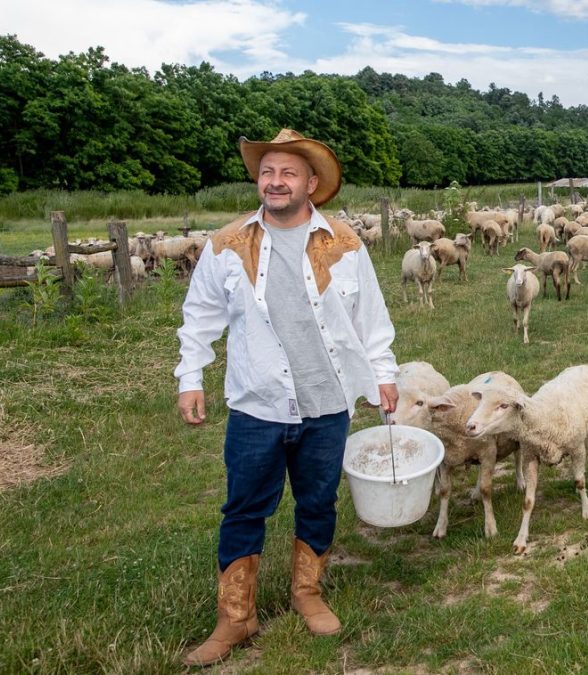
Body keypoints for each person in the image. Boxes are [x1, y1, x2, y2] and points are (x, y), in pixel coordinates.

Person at [174, 128, 399, 667]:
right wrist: (191, 377)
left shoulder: (344, 244)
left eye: (287, 173)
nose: (274, 182)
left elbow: (370, 316)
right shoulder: (228, 244)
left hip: (328, 403)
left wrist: (383, 373)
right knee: (244, 508)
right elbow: (199, 315)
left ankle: (307, 592)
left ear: (312, 183)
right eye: (267, 172)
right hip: (259, 404)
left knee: (318, 501)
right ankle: (236, 617)